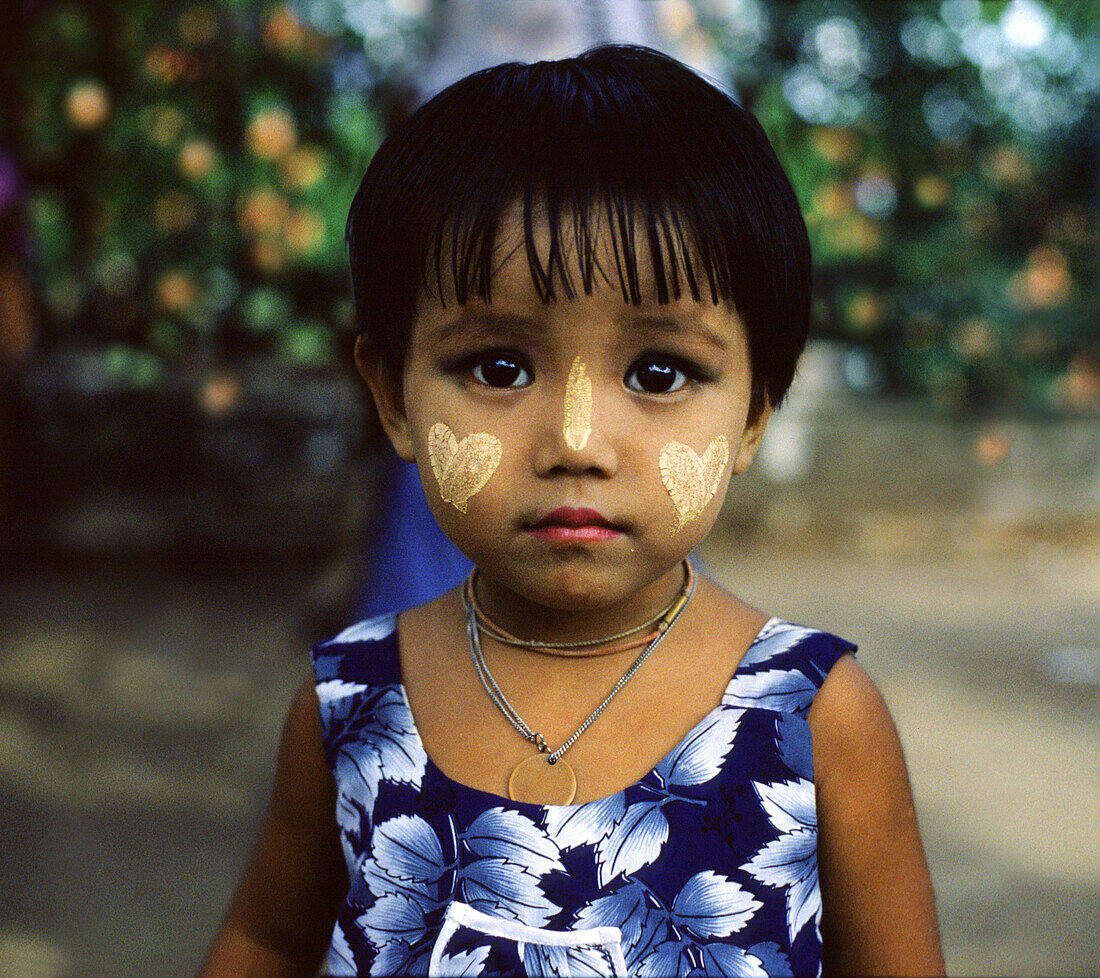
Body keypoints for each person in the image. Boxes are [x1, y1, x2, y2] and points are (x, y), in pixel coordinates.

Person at [198, 45, 943, 977]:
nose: (578, 443)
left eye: (659, 372)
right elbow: (267, 939)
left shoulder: (815, 719)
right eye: (499, 367)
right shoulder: (348, 703)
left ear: (753, 414)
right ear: (392, 397)